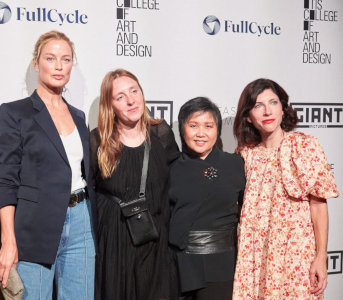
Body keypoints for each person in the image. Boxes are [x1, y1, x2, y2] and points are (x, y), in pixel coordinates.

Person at [0, 30, 95, 300]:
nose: (59, 65)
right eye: (51, 58)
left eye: (66, 59)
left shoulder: (78, 115)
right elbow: (6, 180)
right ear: (37, 63)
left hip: (82, 222)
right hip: (34, 225)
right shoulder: (15, 112)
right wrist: (8, 240)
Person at [232, 78, 339, 299]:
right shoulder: (245, 154)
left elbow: (319, 206)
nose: (267, 111)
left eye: (273, 102)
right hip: (254, 256)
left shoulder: (304, 146)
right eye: (258, 105)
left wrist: (321, 257)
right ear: (249, 117)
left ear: (283, 108)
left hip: (296, 254)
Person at [90, 69, 179, 300]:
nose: (131, 100)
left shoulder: (161, 134)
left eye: (134, 91)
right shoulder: (97, 141)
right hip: (115, 247)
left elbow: (176, 187)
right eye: (120, 97)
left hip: (155, 244)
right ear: (110, 105)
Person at [169, 97, 245, 299]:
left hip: (221, 265)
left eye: (208, 126)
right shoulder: (169, 168)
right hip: (178, 265)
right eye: (193, 125)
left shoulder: (235, 165)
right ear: (183, 129)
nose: (200, 133)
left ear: (218, 130)